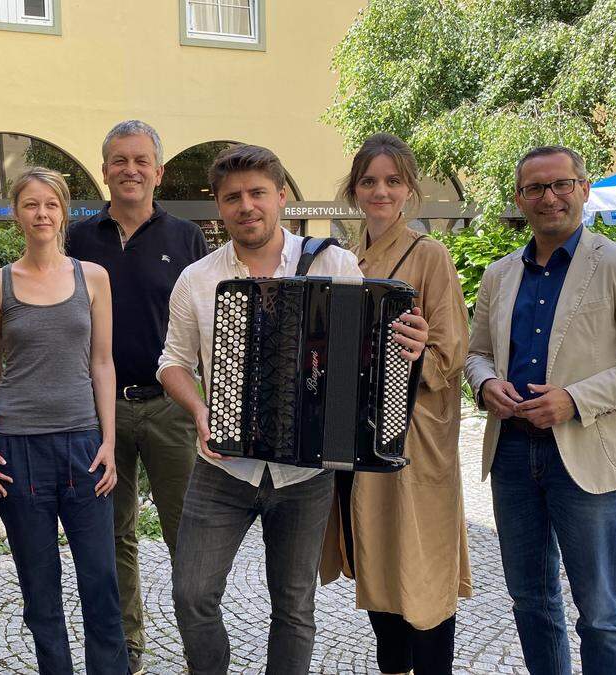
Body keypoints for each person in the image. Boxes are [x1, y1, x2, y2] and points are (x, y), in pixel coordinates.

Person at [158, 144, 429, 675]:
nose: (246, 205)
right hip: (222, 466)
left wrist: (407, 345)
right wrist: (198, 408)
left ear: (281, 196)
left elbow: (374, 349)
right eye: (232, 197)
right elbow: (172, 363)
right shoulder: (197, 278)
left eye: (258, 192)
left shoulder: (333, 262)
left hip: (305, 470)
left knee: (295, 606)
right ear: (218, 205)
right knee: (192, 596)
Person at [465, 146, 616, 674]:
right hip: (513, 455)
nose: (549, 197)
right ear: (519, 198)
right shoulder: (498, 274)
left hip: (590, 457)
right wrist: (486, 382)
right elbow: (477, 352)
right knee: (531, 602)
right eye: (535, 188)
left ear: (583, 189)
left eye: (561, 184)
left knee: (602, 613)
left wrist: (576, 399)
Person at [319, 133, 471, 674]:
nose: (380, 191)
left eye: (392, 180)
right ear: (354, 189)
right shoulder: (343, 259)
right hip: (352, 440)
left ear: (409, 189)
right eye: (369, 181)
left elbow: (451, 349)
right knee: (375, 564)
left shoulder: (428, 254)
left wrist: (415, 351)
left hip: (410, 441)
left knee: (420, 567)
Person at [66, 119, 208, 673]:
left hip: (170, 407)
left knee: (188, 538)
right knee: (113, 536)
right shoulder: (79, 239)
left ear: (159, 171)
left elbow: (205, 324)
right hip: (99, 413)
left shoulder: (185, 239)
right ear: (104, 171)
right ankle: (129, 654)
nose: (130, 170)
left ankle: (202, 652)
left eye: (140, 160)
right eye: (119, 161)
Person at [0, 167, 128, 674]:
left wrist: (109, 439)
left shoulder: (94, 278)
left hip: (84, 444)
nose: (41, 214)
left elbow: (102, 363)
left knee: (101, 581)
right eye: (30, 205)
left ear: (64, 211)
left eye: (50, 204)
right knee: (39, 590)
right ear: (15, 214)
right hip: (17, 447)